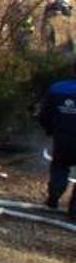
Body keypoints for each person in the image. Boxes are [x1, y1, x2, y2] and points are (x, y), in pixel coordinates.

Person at [39, 60, 76, 219]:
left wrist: (50, 130)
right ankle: (74, 211)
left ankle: (53, 197)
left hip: (62, 137)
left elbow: (44, 115)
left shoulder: (57, 88)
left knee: (60, 166)